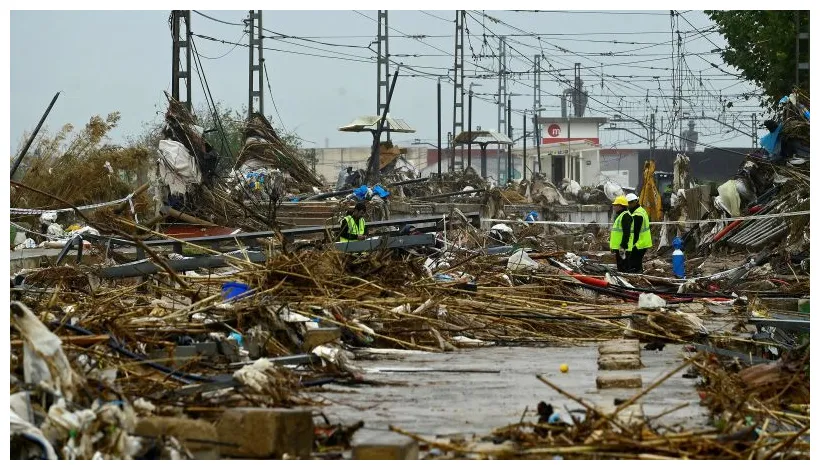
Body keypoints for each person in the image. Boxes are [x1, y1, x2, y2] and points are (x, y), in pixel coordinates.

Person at [626, 193, 652, 273]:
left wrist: (631, 245)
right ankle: (639, 276)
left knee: (633, 264)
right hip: (643, 242)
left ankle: (636, 278)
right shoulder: (640, 210)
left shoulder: (637, 215)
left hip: (639, 243)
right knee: (637, 263)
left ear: (634, 202)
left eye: (629, 203)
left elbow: (636, 232)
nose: (628, 205)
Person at [609, 195, 633, 272]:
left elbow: (627, 232)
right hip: (620, 248)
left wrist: (623, 245)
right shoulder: (621, 216)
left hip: (623, 248)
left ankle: (626, 282)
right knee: (621, 267)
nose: (614, 207)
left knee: (624, 268)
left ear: (620, 206)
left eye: (615, 205)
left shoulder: (625, 216)